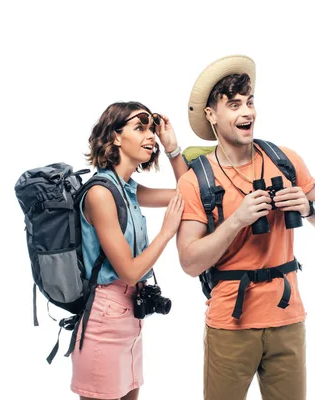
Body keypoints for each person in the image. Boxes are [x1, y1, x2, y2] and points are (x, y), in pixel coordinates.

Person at [176, 55, 315, 400]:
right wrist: (237, 220)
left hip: (287, 316)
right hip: (230, 324)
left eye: (249, 102)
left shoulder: (285, 159)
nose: (247, 112)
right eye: (234, 105)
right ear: (211, 115)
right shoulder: (195, 182)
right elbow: (190, 262)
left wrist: (308, 208)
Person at [71, 101, 187, 400]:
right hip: (103, 320)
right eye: (140, 128)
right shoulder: (100, 193)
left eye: (151, 129)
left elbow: (190, 194)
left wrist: (173, 149)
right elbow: (130, 270)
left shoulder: (129, 189)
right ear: (115, 137)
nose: (150, 136)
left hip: (130, 316)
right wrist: (167, 231)